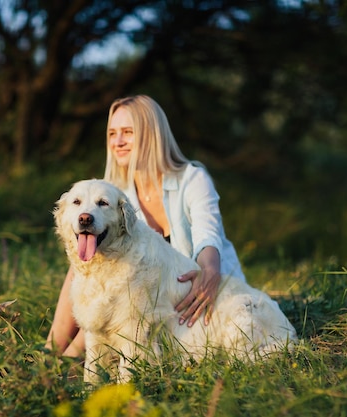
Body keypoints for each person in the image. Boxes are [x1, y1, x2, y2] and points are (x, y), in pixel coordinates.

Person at [45, 94, 246, 357]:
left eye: (127, 132)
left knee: (119, 296)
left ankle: (70, 359)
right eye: (113, 133)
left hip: (191, 294)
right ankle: (50, 353)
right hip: (143, 302)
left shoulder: (192, 179)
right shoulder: (114, 191)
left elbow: (208, 235)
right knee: (86, 266)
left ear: (152, 134)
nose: (117, 142)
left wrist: (209, 271)